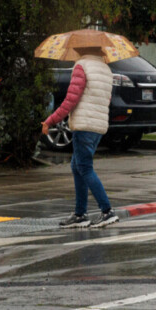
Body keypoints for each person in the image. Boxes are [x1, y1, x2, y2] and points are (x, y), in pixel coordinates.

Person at [42, 47, 119, 229]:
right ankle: (80, 214)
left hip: (84, 125)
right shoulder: (106, 69)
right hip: (98, 126)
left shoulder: (82, 66)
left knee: (84, 167)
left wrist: (51, 121)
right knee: (77, 166)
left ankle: (107, 211)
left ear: (81, 51)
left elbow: (71, 100)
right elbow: (106, 100)